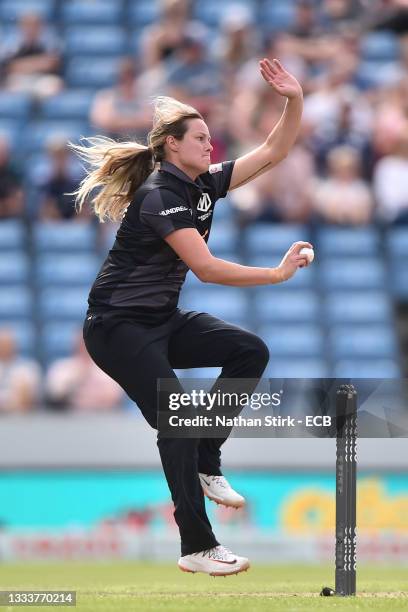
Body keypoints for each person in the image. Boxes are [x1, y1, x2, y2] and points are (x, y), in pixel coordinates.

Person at [70, 58, 309, 576]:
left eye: (210, 136)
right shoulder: (160, 194)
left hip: (159, 320)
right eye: (199, 137)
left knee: (249, 350)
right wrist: (274, 274)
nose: (210, 144)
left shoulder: (204, 185)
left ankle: (207, 459)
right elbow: (203, 267)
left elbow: (275, 150)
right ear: (172, 145)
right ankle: (197, 546)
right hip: (116, 327)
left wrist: (294, 100)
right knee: (176, 418)